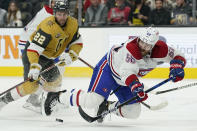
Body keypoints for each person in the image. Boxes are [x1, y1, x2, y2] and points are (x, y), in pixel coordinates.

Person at [42, 27, 186, 123]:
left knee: (133, 112)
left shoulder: (162, 50)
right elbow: (127, 73)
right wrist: (136, 87)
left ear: (154, 46)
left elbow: (179, 56)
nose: (143, 46)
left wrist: (177, 67)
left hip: (125, 80)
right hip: (109, 70)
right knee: (93, 100)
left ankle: (107, 106)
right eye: (142, 42)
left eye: (148, 45)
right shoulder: (131, 49)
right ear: (139, 38)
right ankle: (57, 97)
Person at [0, 1, 83, 112]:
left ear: (68, 13)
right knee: (30, 85)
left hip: (47, 55)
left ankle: (50, 101)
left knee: (56, 79)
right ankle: (3, 100)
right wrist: (34, 66)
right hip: (33, 51)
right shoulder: (47, 26)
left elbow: (76, 40)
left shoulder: (73, 23)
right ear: (54, 13)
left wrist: (72, 54)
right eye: (59, 14)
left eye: (64, 14)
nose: (62, 17)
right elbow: (34, 48)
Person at [18, 0, 68, 113]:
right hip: (30, 46)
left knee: (56, 70)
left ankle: (50, 99)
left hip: (34, 44)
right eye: (54, 1)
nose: (57, 4)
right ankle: (36, 100)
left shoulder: (52, 12)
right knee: (52, 71)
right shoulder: (50, 14)